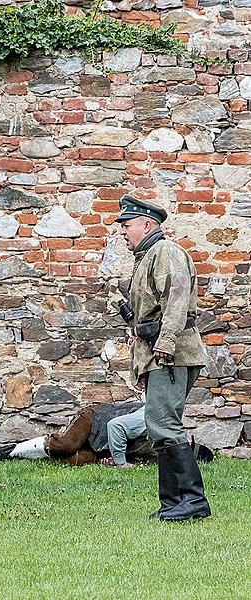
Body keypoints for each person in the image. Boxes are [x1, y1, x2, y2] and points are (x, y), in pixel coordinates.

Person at [116, 195, 210, 521]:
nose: (123, 232)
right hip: (159, 353)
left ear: (147, 224)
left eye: (127, 225)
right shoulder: (146, 257)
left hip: (171, 353)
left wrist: (165, 344)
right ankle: (172, 503)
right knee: (158, 427)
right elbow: (154, 314)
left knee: (164, 425)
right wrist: (134, 320)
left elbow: (177, 302)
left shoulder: (165, 252)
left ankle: (193, 501)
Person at [0, 402, 155, 467]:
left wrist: (110, 459)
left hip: (101, 446)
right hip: (94, 421)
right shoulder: (153, 415)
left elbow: (129, 444)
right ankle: (5, 451)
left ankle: (33, 451)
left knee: (73, 460)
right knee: (65, 445)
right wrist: (120, 462)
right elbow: (115, 426)